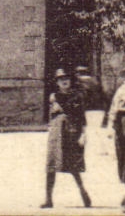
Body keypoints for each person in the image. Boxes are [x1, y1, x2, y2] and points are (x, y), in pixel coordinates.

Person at [41, 70, 91, 209]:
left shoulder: (76, 96)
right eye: (61, 79)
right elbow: (50, 116)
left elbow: (81, 117)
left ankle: (84, 194)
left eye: (66, 78)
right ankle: (48, 199)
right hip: (56, 134)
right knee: (51, 165)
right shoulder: (54, 97)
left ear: (70, 81)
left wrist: (83, 134)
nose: (64, 81)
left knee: (73, 166)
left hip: (71, 132)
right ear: (57, 82)